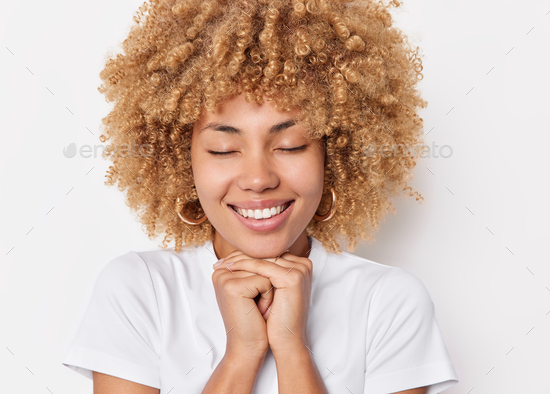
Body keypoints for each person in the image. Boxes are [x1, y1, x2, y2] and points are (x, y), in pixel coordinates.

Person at [61, 0, 459, 393]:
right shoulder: (140, 288)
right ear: (183, 163)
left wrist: (292, 349)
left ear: (334, 156)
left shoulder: (387, 301)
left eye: (290, 145)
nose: (258, 179)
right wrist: (243, 352)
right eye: (223, 149)